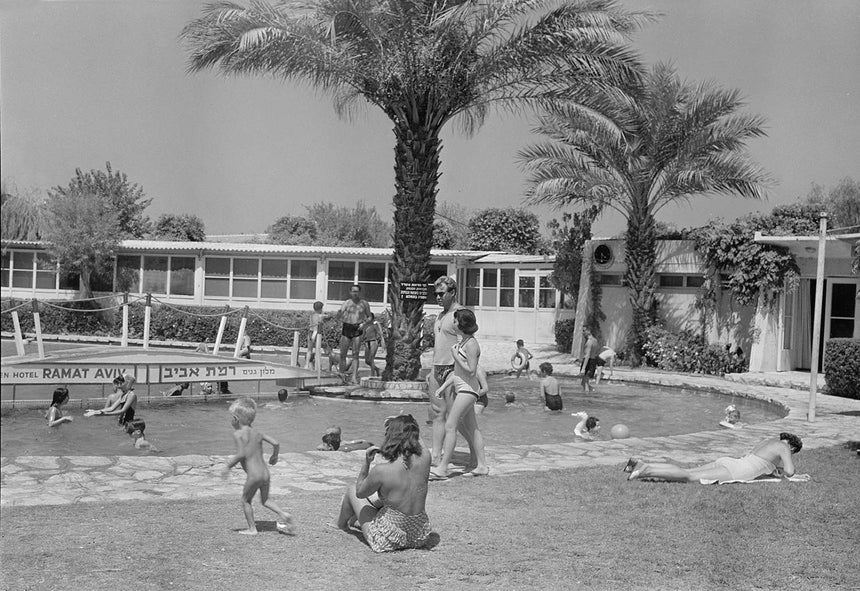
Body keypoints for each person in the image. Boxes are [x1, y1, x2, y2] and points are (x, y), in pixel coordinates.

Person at [333, 414, 432, 553]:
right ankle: (354, 521)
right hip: (418, 536)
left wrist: (366, 463)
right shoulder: (425, 458)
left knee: (351, 491)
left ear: (390, 438)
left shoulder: (381, 471)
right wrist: (404, 422)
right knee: (380, 502)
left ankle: (341, 525)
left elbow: (360, 492)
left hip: (388, 540)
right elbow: (418, 439)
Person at [221, 397, 295, 535]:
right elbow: (276, 443)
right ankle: (283, 514)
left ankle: (252, 529)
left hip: (254, 475)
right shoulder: (258, 433)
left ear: (236, 419)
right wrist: (275, 456)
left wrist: (228, 466)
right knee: (265, 499)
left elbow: (241, 453)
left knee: (245, 500)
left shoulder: (238, 434)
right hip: (265, 473)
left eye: (231, 418)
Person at [430, 308, 489, 479]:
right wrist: (442, 387)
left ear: (461, 324)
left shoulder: (471, 344)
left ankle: (443, 468)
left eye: (455, 321)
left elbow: (471, 371)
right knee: (473, 429)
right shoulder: (462, 342)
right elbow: (458, 373)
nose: (453, 323)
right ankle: (482, 466)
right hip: (461, 387)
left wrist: (455, 356)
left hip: (468, 391)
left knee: (450, 425)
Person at [624, 432, 803, 483]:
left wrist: (772, 471)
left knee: (688, 471)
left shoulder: (768, 442)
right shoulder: (783, 447)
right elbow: (789, 471)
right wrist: (786, 471)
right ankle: (646, 471)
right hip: (737, 470)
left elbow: (760, 462)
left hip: (732, 462)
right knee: (689, 477)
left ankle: (641, 464)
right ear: (792, 447)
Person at [427, 276, 463, 462]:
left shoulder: (460, 314)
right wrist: (431, 370)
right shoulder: (440, 316)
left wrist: (458, 371)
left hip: (451, 369)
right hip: (437, 368)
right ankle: (435, 454)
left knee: (454, 420)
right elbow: (438, 345)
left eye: (441, 293)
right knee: (437, 413)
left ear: (453, 292)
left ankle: (469, 456)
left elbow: (465, 344)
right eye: (435, 294)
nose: (438, 297)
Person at [336, 284, 372, 383]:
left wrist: (364, 324)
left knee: (355, 354)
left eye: (357, 291)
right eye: (353, 291)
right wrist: (339, 316)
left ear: (359, 292)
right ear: (350, 292)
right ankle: (342, 375)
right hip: (347, 327)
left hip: (358, 327)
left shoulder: (364, 303)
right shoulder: (347, 303)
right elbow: (339, 314)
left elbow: (369, 316)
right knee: (343, 353)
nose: (355, 293)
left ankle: (354, 377)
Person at [306, 301, 331, 369]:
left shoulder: (312, 315)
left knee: (309, 350)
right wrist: (324, 315)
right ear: (320, 309)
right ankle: (318, 366)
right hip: (317, 333)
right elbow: (329, 317)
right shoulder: (321, 316)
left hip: (310, 333)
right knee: (318, 350)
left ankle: (306, 365)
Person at [362, 312, 386, 378]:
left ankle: (372, 374)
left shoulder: (374, 324)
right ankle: (377, 369)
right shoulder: (365, 326)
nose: (366, 318)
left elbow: (380, 334)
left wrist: (382, 342)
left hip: (373, 342)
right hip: (367, 342)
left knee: (371, 359)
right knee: (367, 361)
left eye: (368, 317)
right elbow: (363, 335)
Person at [580, 328, 599, 392]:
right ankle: (593, 391)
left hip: (588, 362)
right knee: (583, 383)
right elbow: (596, 352)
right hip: (593, 361)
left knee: (585, 384)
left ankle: (586, 399)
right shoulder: (595, 340)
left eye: (583, 331)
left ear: (588, 331)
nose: (582, 333)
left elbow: (587, 355)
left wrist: (583, 368)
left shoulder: (589, 342)